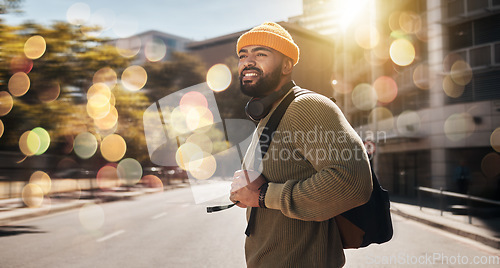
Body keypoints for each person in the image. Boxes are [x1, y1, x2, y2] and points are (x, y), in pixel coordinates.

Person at [229, 22, 373, 267]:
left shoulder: (306, 106)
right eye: (243, 55)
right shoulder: (269, 117)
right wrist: (246, 193)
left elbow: (353, 181)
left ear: (287, 65)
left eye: (260, 54)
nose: (247, 61)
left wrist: (264, 195)